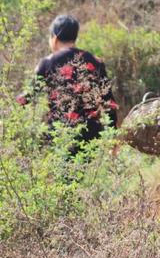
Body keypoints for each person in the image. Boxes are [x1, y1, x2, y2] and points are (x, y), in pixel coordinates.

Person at [16, 14, 118, 154]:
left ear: (54, 38)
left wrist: (9, 108)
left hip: (60, 135)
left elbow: (26, 97)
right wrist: (112, 137)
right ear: (75, 37)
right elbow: (109, 102)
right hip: (92, 137)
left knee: (63, 174)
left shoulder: (47, 63)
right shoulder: (95, 62)